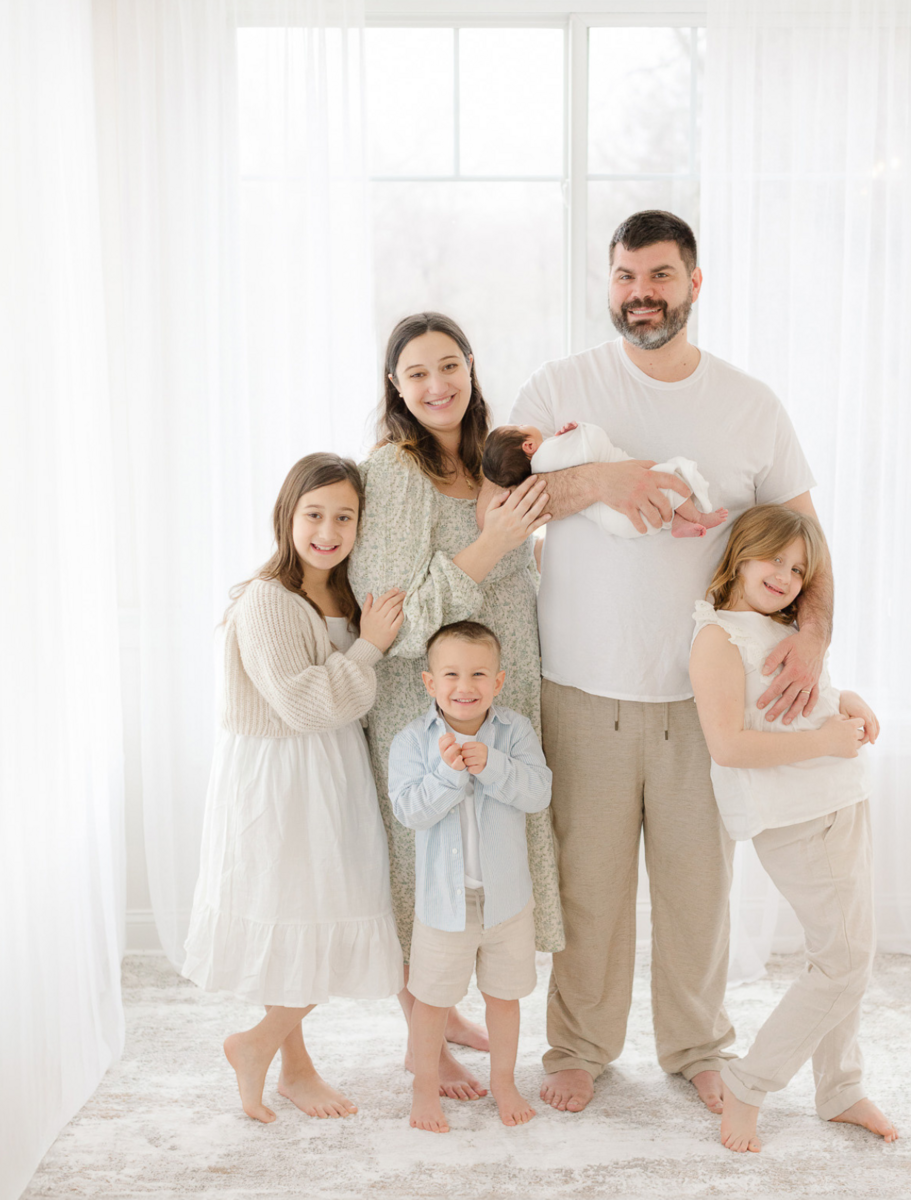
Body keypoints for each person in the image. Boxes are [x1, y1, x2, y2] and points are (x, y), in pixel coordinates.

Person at [510, 210, 834, 1115]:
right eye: (624, 276)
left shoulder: (749, 404)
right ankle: (577, 1046)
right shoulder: (563, 383)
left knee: (700, 889)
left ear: (695, 284)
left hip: (706, 699)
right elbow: (505, 493)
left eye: (658, 275)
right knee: (590, 888)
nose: (640, 292)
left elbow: (807, 534)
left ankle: (698, 1048)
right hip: (582, 687)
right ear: (608, 284)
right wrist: (611, 481)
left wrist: (811, 636)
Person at [349, 312, 565, 1101]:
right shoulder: (395, 473)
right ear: (396, 388)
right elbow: (396, 620)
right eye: (416, 374)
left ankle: (448, 1016)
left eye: (449, 366)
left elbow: (513, 567)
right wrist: (493, 545)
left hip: (500, 692)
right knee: (428, 869)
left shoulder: (484, 460)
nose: (436, 385)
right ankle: (425, 1042)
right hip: (426, 700)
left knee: (493, 859)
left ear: (472, 366)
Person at [183, 452, 406, 1123]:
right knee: (308, 916)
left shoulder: (343, 591)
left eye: (345, 516)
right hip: (281, 777)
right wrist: (368, 648)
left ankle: (293, 1065)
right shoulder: (268, 600)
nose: (328, 530)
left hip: (329, 767)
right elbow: (304, 704)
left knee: (310, 919)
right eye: (315, 514)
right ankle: (256, 1044)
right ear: (288, 515)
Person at [688, 504, 898, 1152]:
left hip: (840, 798)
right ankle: (750, 1085)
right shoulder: (718, 639)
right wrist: (828, 743)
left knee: (842, 950)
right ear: (740, 556)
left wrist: (846, 703)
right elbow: (729, 745)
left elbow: (798, 711)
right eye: (774, 558)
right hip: (798, 818)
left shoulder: (784, 629)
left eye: (798, 568)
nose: (785, 574)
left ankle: (840, 1087)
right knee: (844, 962)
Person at [389, 621, 551, 1132]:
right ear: (430, 683)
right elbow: (409, 811)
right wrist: (450, 772)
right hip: (443, 902)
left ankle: (504, 1081)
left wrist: (493, 766)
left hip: (506, 901)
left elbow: (538, 794)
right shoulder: (413, 741)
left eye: (479, 674)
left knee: (504, 996)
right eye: (452, 674)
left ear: (499, 682)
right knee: (433, 999)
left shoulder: (514, 731)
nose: (466, 686)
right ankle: (424, 1087)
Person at [482, 421, 728, 539]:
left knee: (658, 504)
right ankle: (696, 516)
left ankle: (674, 525)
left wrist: (561, 439)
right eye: (521, 425)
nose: (527, 423)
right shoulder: (547, 455)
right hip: (623, 509)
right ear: (528, 445)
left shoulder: (539, 472)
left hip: (616, 524)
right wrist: (578, 431)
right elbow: (592, 441)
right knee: (666, 481)